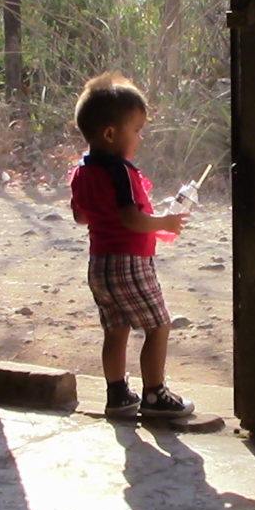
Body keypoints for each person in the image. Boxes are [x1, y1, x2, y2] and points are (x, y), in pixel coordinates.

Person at [68, 72, 196, 418]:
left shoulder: (81, 171)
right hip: (129, 263)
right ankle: (155, 394)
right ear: (111, 134)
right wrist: (164, 223)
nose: (140, 137)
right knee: (158, 325)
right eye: (137, 130)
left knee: (116, 328)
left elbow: (80, 216)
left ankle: (117, 395)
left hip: (99, 265)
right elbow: (131, 218)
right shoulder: (119, 171)